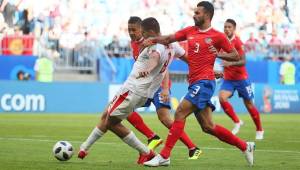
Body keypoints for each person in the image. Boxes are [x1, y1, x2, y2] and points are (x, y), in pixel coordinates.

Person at [143, 1, 255, 167]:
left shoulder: (218, 36)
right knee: (208, 127)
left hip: (205, 82)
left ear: (207, 15)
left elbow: (236, 56)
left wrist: (218, 54)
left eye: (197, 13)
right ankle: (245, 146)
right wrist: (152, 40)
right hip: (195, 82)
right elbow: (168, 38)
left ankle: (164, 155)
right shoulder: (189, 31)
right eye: (194, 13)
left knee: (180, 112)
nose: (194, 15)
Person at [78, 17, 190, 164]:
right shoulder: (171, 44)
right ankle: (85, 147)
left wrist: (148, 70)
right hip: (137, 90)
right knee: (107, 113)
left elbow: (154, 58)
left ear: (150, 31)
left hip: (133, 89)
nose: (141, 35)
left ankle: (147, 152)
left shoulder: (156, 47)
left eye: (143, 32)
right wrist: (209, 69)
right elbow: (186, 57)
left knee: (110, 122)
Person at [127, 16, 202, 159]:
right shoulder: (134, 43)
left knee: (165, 119)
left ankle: (192, 147)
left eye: (134, 30)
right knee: (125, 110)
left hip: (159, 86)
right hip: (146, 87)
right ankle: (152, 137)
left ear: (143, 30)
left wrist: (166, 88)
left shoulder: (157, 44)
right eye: (129, 29)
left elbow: (164, 67)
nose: (131, 32)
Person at [218, 19, 264, 139]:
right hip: (228, 79)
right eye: (225, 27)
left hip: (241, 78)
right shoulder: (221, 41)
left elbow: (243, 61)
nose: (227, 29)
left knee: (248, 105)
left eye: (229, 27)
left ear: (234, 29)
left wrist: (229, 64)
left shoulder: (238, 42)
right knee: (222, 98)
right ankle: (237, 121)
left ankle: (259, 129)